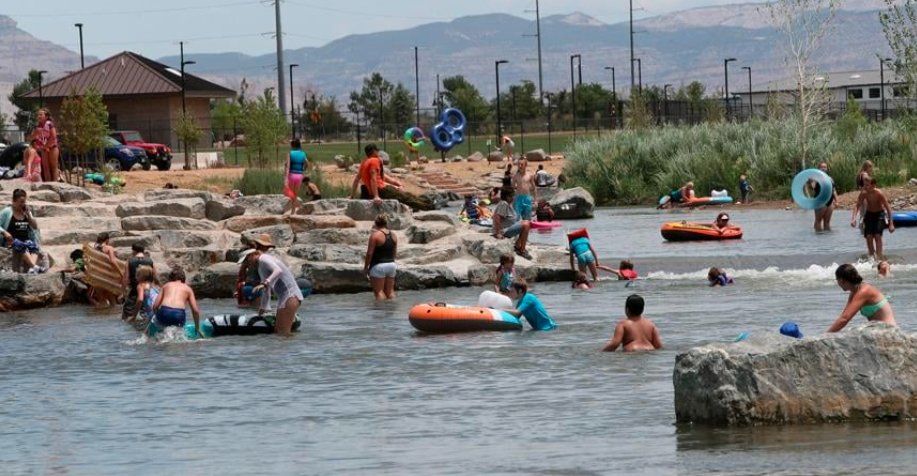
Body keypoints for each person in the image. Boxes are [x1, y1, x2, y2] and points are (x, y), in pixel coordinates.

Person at [246, 234, 303, 336]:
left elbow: (278, 270)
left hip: (291, 296)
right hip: (285, 298)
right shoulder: (262, 264)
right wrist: (262, 309)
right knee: (279, 333)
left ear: (254, 253)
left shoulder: (263, 258)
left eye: (247, 259)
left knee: (284, 334)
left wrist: (265, 282)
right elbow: (266, 291)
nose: (247, 263)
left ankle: (294, 352)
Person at [349, 143, 433, 211]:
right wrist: (376, 196)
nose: (378, 152)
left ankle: (427, 202)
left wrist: (352, 196)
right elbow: (373, 178)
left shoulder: (364, 162)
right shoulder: (375, 161)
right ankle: (430, 206)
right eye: (377, 150)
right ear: (374, 151)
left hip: (372, 189)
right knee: (405, 197)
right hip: (381, 189)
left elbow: (357, 180)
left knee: (405, 195)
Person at [828, 263, 896, 332]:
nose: (837, 283)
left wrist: (824, 336)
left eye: (837, 280)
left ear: (841, 280)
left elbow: (845, 319)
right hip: (880, 332)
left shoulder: (863, 291)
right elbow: (843, 316)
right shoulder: (854, 291)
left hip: (889, 332)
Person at [150, 268, 202, 337]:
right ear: (184, 279)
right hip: (179, 314)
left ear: (170, 279)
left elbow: (155, 306)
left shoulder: (166, 286)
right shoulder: (188, 289)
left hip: (164, 312)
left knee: (161, 330)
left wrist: (157, 316)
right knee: (177, 337)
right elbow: (195, 311)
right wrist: (197, 328)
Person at [0, 189, 43, 273]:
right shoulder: (6, 212)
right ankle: (34, 267)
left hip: (26, 240)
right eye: (21, 202)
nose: (23, 204)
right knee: (18, 244)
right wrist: (4, 232)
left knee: (34, 247)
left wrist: (29, 216)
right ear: (14, 201)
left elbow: (35, 226)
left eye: (24, 202)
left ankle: (32, 267)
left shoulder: (26, 212)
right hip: (12, 241)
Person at [851, 177, 894, 261]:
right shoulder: (864, 193)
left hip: (879, 214)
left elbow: (888, 207)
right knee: (869, 236)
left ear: (873, 185)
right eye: (864, 185)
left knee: (878, 235)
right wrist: (853, 219)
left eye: (867, 185)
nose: (865, 187)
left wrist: (891, 223)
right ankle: (871, 257)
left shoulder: (879, 193)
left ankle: (879, 256)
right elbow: (857, 205)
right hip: (869, 215)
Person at [492, 187, 532, 260]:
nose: (514, 197)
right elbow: (496, 217)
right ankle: (522, 250)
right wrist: (498, 233)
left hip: (507, 228)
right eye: (513, 195)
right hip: (504, 231)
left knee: (526, 222)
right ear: (507, 197)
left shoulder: (507, 204)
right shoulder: (503, 204)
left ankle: (518, 244)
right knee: (526, 224)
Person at [363, 214, 398, 300]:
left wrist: (366, 268)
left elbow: (369, 254)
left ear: (376, 223)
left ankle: (380, 312)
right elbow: (394, 252)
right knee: (390, 291)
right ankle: (392, 310)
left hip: (378, 266)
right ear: (386, 223)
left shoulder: (375, 235)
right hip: (392, 265)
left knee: (378, 292)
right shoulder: (394, 235)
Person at [122, 242, 155, 321]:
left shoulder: (130, 261)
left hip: (134, 290)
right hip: (147, 290)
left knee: (126, 314)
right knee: (145, 313)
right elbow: (154, 275)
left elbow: (126, 277)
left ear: (134, 251)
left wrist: (123, 291)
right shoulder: (150, 261)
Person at [94, 232, 124, 306]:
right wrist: (120, 272)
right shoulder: (109, 248)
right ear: (107, 240)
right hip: (107, 275)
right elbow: (113, 261)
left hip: (96, 275)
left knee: (101, 300)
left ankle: (102, 316)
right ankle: (111, 316)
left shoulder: (94, 248)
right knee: (112, 300)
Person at [32, 108, 59, 183]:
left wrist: (46, 146)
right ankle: (48, 183)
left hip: (52, 147)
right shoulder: (38, 126)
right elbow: (33, 137)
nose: (39, 116)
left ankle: (55, 183)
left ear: (46, 116)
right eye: (38, 115)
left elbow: (53, 136)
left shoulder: (49, 124)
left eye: (41, 114)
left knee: (54, 166)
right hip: (43, 148)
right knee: (45, 167)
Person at [284, 138, 308, 215]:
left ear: (292, 145)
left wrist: (285, 178)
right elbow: (307, 163)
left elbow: (288, 166)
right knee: (295, 194)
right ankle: (293, 211)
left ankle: (295, 207)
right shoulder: (303, 153)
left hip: (292, 175)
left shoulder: (290, 153)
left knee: (289, 193)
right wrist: (303, 169)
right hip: (299, 175)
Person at [813, 162, 838, 232]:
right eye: (822, 167)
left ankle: (827, 240)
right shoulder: (816, 178)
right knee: (818, 221)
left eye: (825, 167)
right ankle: (818, 238)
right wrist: (811, 181)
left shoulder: (830, 178)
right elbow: (813, 187)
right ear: (818, 168)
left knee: (827, 222)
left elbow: (834, 190)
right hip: (820, 200)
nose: (823, 168)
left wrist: (836, 201)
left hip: (830, 200)